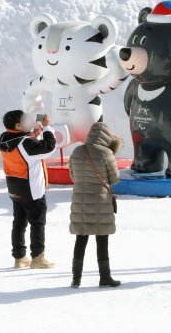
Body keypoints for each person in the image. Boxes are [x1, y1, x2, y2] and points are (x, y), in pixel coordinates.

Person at [0, 110, 57, 269]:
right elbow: (48, 147)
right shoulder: (25, 142)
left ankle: (19, 257)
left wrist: (33, 134)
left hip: (15, 187)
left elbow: (24, 146)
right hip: (32, 189)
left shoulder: (5, 138)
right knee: (37, 222)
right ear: (18, 125)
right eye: (25, 120)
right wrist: (47, 128)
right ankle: (38, 258)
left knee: (19, 222)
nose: (30, 121)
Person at [68, 122, 123, 288]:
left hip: (80, 201)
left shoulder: (77, 151)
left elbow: (73, 176)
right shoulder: (106, 153)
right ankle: (105, 277)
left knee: (81, 239)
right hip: (101, 202)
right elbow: (114, 179)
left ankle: (76, 279)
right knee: (102, 240)